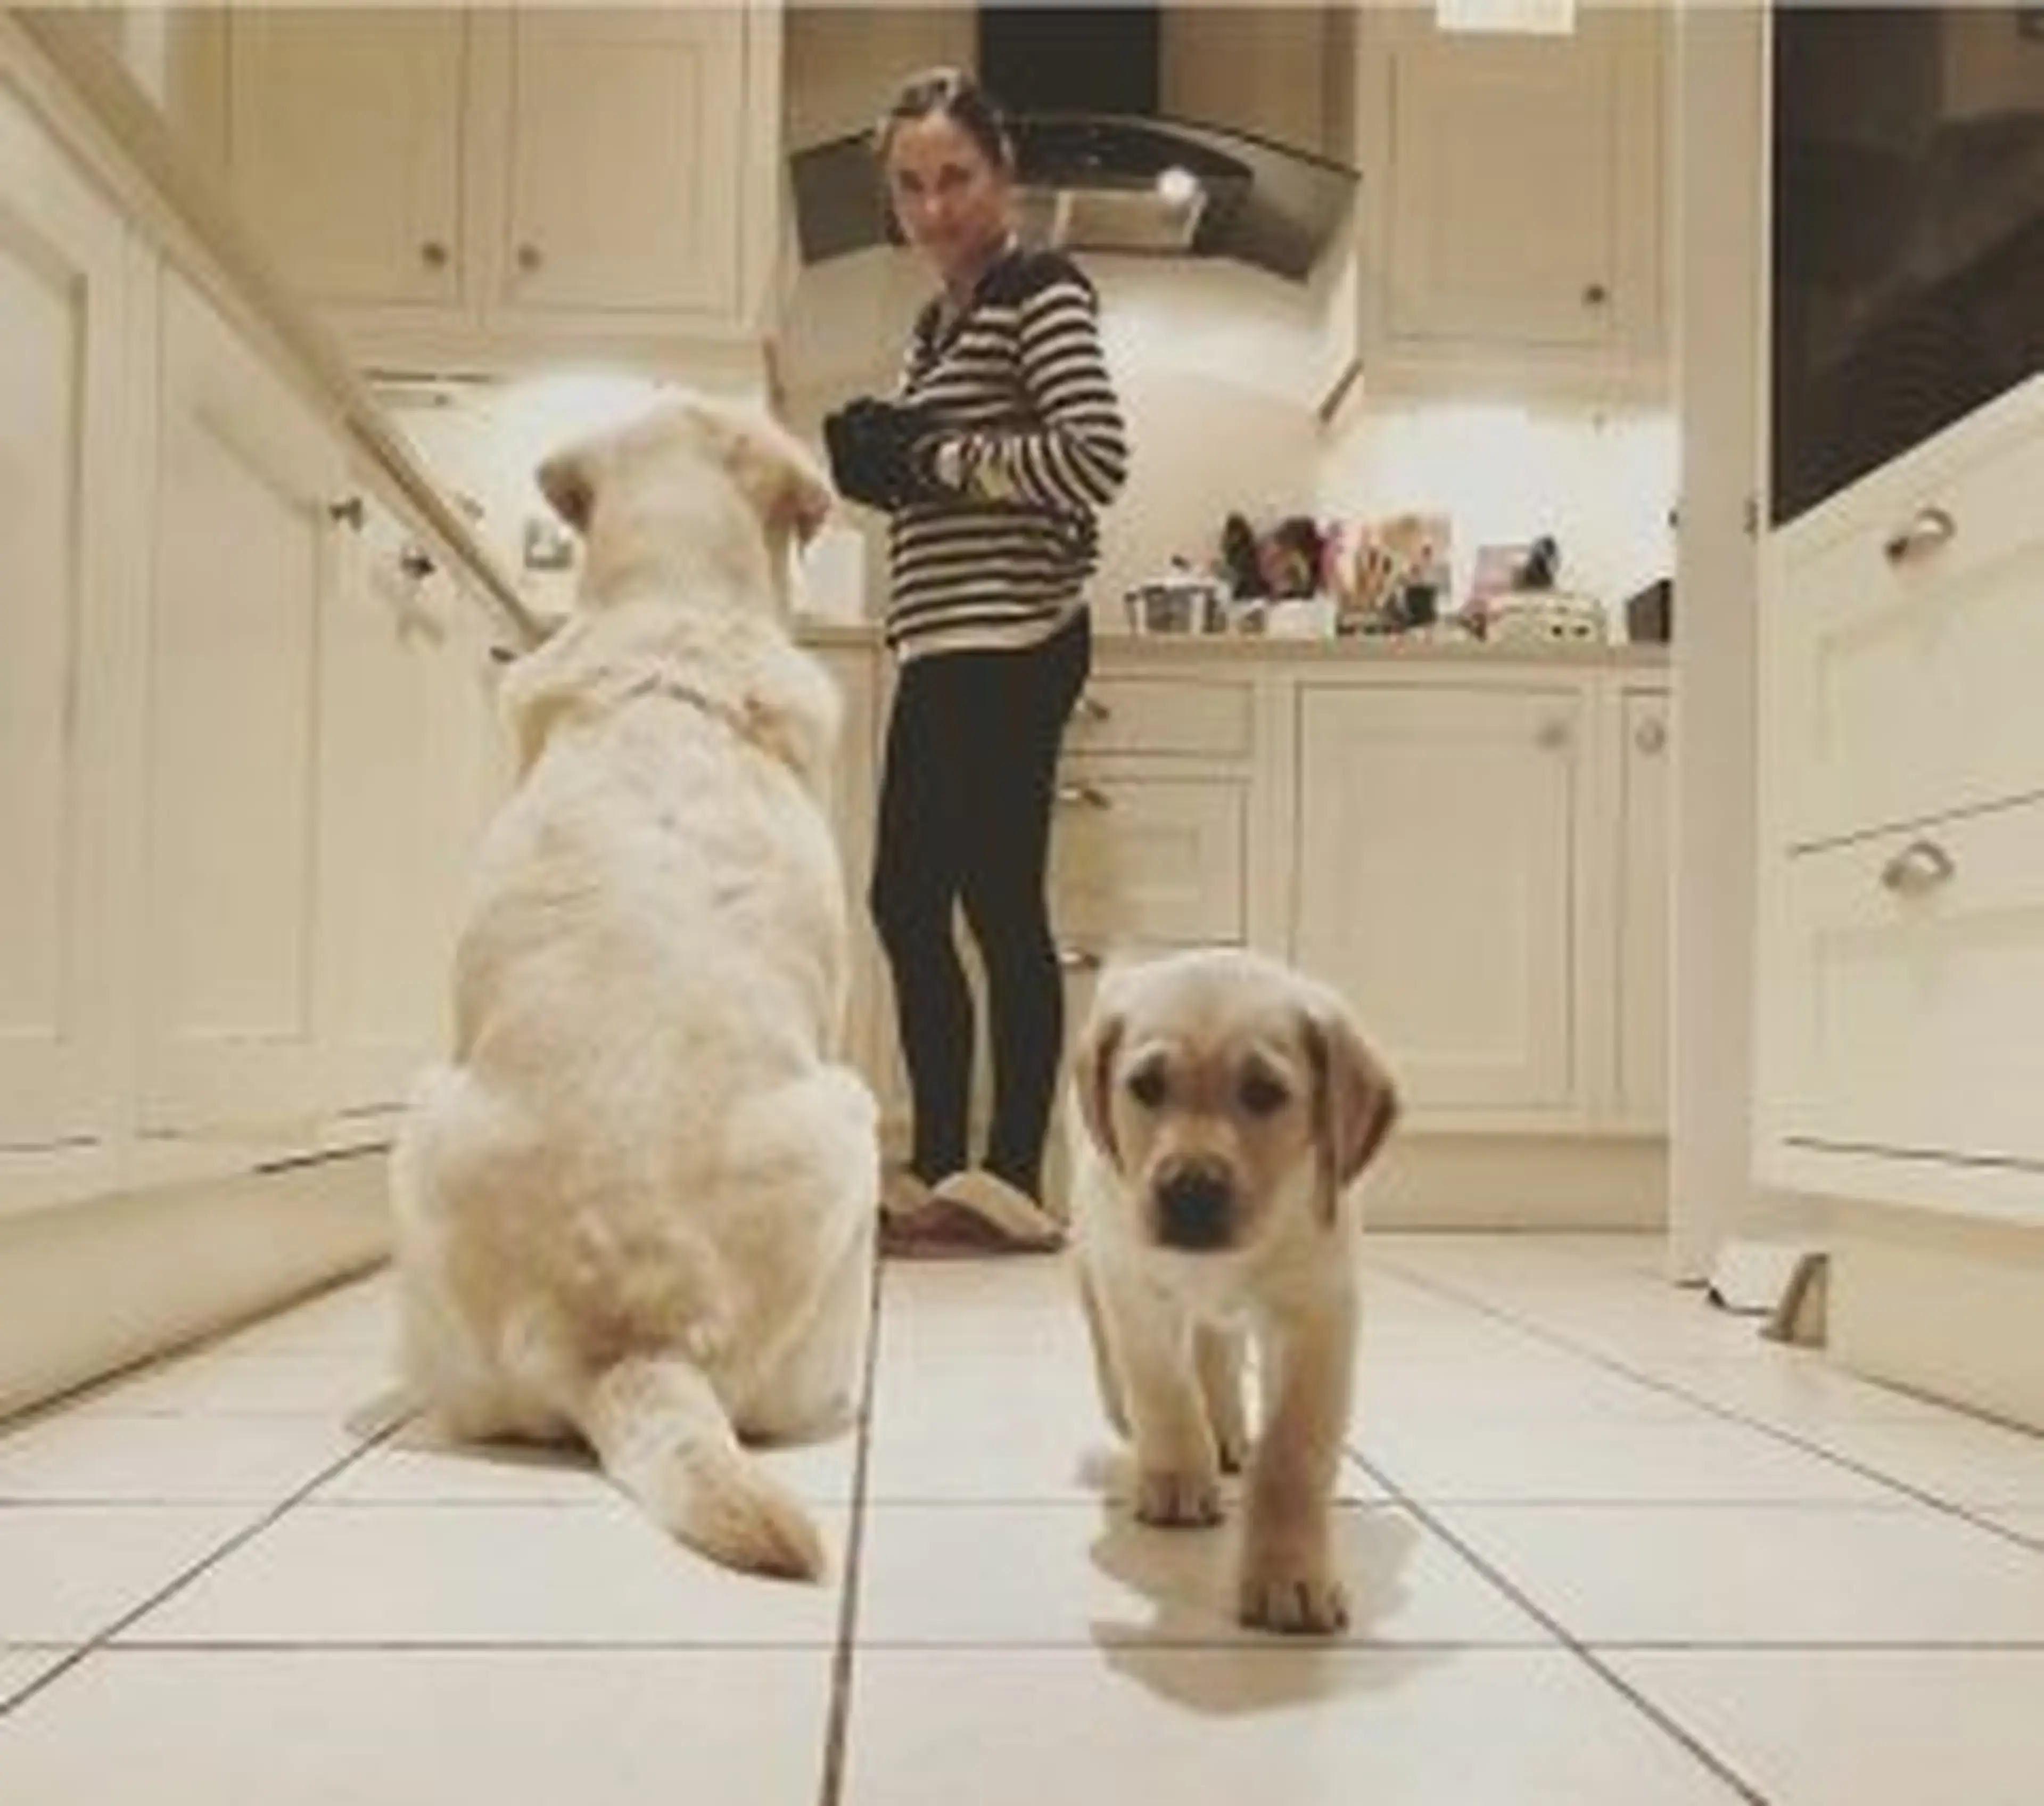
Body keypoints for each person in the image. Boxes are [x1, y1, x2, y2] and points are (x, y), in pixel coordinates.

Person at [823, 68, 1129, 1256]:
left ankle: (1003, 1178)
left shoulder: (1037, 287)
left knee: (988, 903)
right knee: (911, 899)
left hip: (1012, 639)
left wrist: (931, 456)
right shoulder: (936, 323)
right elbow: (970, 464)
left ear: (1003, 177)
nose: (935, 207)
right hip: (949, 643)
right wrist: (890, 466)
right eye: (911, 186)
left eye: (956, 178)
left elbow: (1094, 457)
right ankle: (948, 1166)